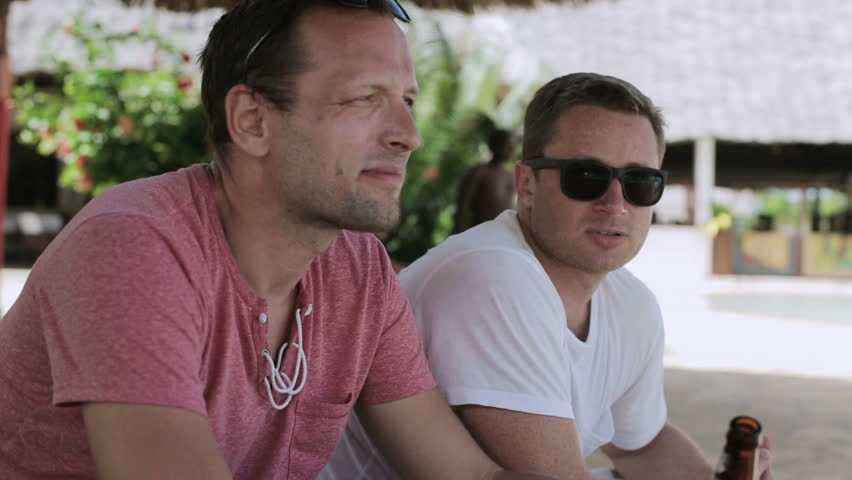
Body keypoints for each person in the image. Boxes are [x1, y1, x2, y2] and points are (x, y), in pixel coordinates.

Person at [0, 2, 552, 479]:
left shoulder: (357, 270)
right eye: (365, 98)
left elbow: (468, 473)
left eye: (406, 100)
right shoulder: (135, 247)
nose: (408, 135)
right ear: (252, 121)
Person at [323, 72, 775, 479]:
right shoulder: (491, 278)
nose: (615, 203)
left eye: (640, 182)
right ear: (526, 185)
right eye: (586, 176)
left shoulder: (631, 304)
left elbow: (643, 446)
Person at [452, 127, 516, 233]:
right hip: (477, 232)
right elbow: (463, 205)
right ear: (495, 145)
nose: (511, 149)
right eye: (507, 145)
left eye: (512, 145)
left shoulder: (510, 176)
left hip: (501, 234)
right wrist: (461, 232)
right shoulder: (480, 172)